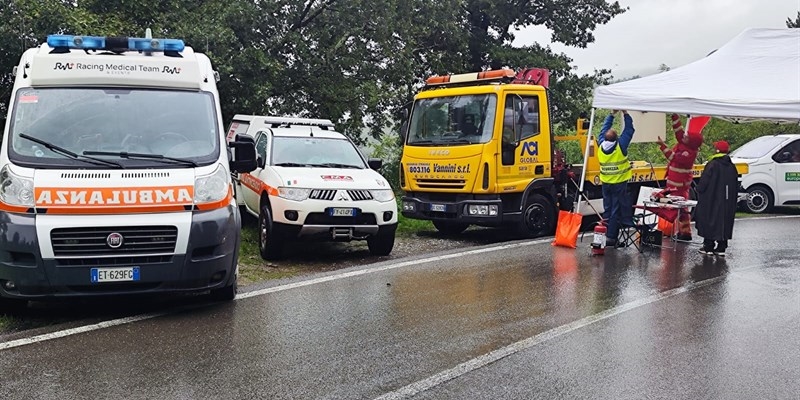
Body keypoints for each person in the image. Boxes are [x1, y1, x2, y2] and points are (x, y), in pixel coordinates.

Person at [653, 114, 708, 241]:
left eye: (687, 137)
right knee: (678, 209)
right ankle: (680, 231)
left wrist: (662, 145)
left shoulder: (688, 153)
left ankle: (685, 232)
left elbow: (673, 157)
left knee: (680, 210)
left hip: (679, 186)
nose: (685, 137)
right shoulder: (686, 144)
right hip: (674, 184)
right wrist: (675, 117)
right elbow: (679, 133)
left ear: (691, 142)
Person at [598, 110, 635, 247]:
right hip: (619, 183)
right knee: (615, 211)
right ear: (616, 138)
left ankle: (605, 234)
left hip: (606, 183)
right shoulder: (620, 146)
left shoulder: (601, 144)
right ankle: (611, 238)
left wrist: (611, 115)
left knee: (607, 209)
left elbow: (603, 129)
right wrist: (625, 113)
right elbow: (630, 129)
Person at [695, 140, 739, 256]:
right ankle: (721, 247)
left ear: (717, 150)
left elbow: (704, 182)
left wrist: (698, 189)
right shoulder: (731, 166)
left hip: (711, 199)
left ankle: (708, 246)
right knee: (725, 221)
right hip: (727, 200)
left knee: (710, 220)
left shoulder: (712, 165)